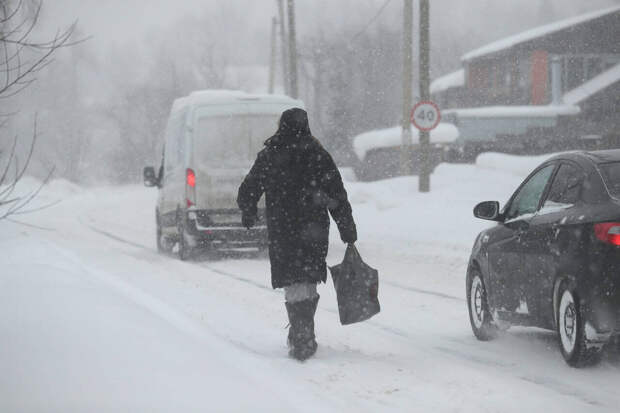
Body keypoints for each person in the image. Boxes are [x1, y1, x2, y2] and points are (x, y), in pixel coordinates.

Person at [237, 108, 357, 361]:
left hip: (283, 230)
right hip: (313, 229)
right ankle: (304, 334)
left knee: (292, 279)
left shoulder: (270, 155)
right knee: (308, 276)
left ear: (282, 125)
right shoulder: (318, 155)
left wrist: (248, 211)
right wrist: (347, 229)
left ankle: (300, 335)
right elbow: (337, 194)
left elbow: (249, 188)